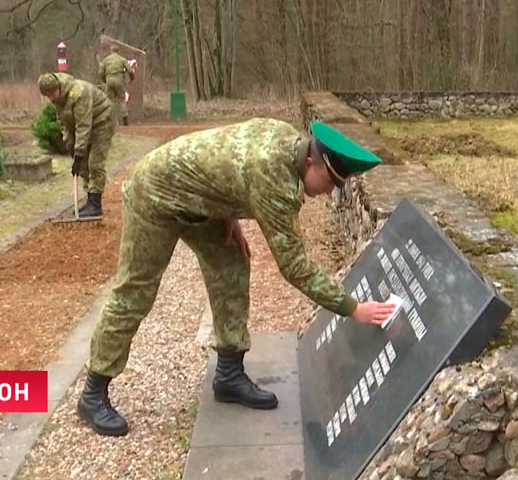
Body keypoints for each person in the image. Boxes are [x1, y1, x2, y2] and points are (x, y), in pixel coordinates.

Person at [76, 118, 399, 436]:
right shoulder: (276, 180)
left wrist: (227, 211)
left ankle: (229, 375)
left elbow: (228, 160)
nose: (330, 193)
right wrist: (353, 307)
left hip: (201, 201)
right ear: (311, 161)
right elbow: (295, 268)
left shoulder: (288, 139)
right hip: (157, 194)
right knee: (135, 292)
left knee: (231, 267)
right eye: (329, 182)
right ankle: (93, 393)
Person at [38, 72, 116, 219]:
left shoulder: (79, 93)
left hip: (102, 122)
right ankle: (89, 200)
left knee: (95, 163)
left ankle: (96, 204)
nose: (51, 98)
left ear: (58, 87)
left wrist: (79, 152)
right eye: (47, 96)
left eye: (52, 94)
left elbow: (83, 125)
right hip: (86, 126)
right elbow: (65, 124)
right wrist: (70, 145)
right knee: (84, 165)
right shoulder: (58, 100)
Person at [99, 42, 135, 125]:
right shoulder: (122, 59)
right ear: (118, 51)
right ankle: (125, 117)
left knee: (109, 100)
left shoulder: (105, 60)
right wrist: (131, 79)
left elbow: (100, 73)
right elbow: (130, 70)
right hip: (119, 80)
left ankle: (109, 120)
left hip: (109, 80)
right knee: (122, 99)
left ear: (111, 50)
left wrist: (105, 80)